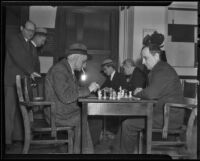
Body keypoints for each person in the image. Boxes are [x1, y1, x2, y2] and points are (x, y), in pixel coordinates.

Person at [110, 39, 185, 154]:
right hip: (162, 114)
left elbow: (150, 94)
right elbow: (153, 92)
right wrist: (144, 91)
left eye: (146, 58)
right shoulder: (159, 69)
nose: (143, 62)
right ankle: (116, 151)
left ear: (156, 56)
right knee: (127, 121)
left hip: (169, 118)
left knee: (128, 124)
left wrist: (138, 93)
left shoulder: (162, 70)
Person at [44, 43, 100, 153]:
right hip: (56, 114)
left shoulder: (67, 69)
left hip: (62, 110)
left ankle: (79, 151)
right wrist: (88, 89)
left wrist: (87, 90)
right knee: (82, 117)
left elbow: (73, 91)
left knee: (85, 114)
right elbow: (66, 97)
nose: (84, 65)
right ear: (76, 58)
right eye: (83, 61)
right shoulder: (59, 70)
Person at [4, 20, 41, 149]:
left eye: (33, 31)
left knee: (21, 113)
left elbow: (34, 64)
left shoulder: (31, 46)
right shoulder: (14, 39)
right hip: (11, 83)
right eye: (28, 30)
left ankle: (19, 139)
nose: (31, 33)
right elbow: (20, 58)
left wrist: (33, 78)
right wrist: (31, 72)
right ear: (21, 28)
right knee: (9, 113)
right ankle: (6, 141)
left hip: (23, 83)